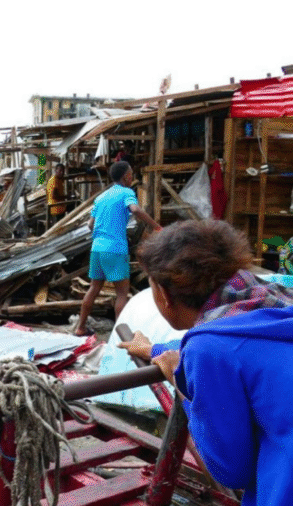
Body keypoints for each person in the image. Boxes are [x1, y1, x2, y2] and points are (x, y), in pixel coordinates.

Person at [118, 220, 293, 506]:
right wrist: (155, 349)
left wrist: (182, 383)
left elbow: (231, 471)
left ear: (162, 294)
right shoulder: (278, 306)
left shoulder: (208, 349)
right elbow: (242, 340)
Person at [73, 161, 162, 336]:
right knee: (122, 293)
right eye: (131, 174)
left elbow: (91, 225)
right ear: (125, 177)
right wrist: (156, 226)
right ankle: (117, 334)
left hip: (97, 248)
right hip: (115, 248)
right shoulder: (127, 193)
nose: (132, 177)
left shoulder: (101, 197)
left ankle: (80, 327)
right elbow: (135, 209)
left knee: (94, 288)